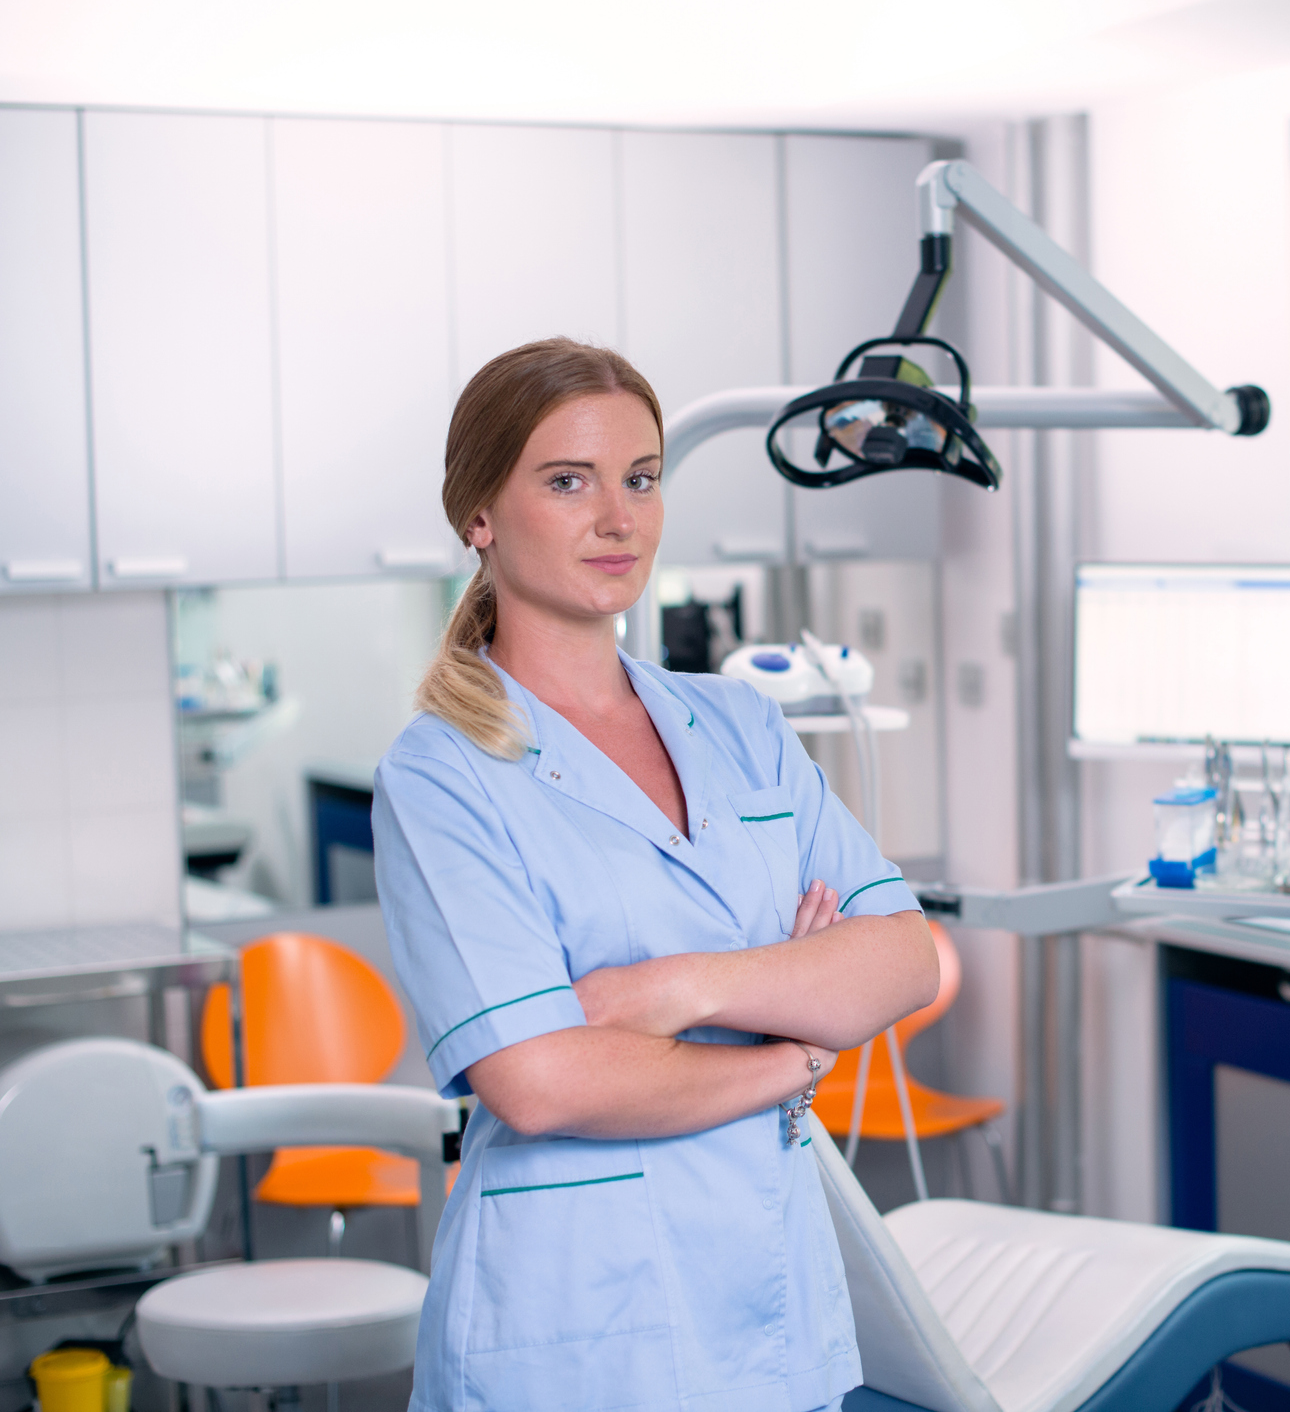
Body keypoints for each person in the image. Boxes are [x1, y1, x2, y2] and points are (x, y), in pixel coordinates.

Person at [373, 337, 939, 1411]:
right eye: (567, 481)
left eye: (639, 478)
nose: (617, 517)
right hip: (579, 1321)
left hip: (768, 1301)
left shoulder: (739, 724)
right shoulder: (443, 776)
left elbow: (905, 957)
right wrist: (786, 1048)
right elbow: (540, 1082)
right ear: (479, 516)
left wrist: (680, 989)